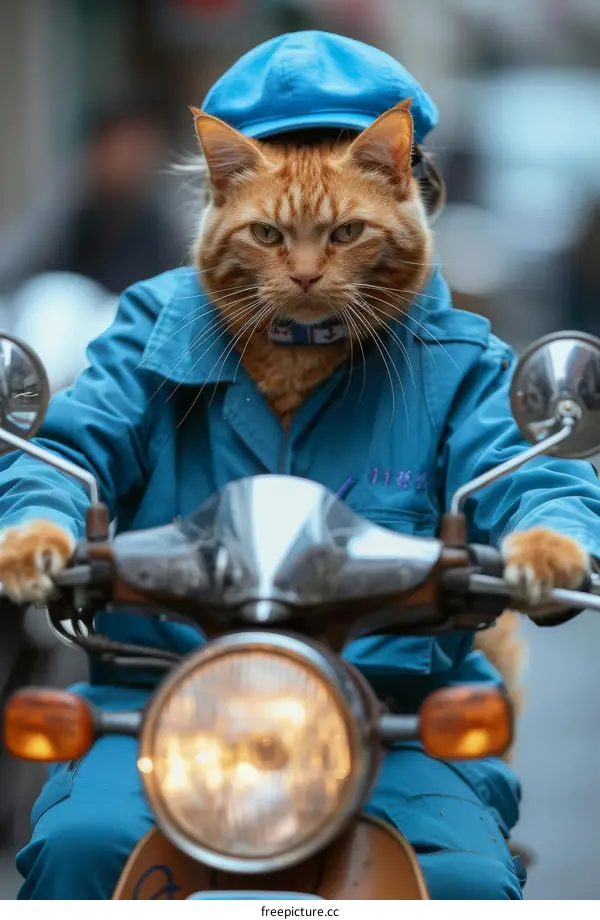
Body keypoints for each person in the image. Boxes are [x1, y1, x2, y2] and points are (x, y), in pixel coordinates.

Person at [1, 31, 600, 901]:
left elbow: (525, 469)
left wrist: (553, 534)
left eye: (347, 233)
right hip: (166, 705)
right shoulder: (155, 328)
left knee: (465, 884)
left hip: (390, 723)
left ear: (404, 187)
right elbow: (68, 446)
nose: (311, 271)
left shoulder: (453, 355)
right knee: (81, 851)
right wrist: (37, 519)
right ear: (219, 195)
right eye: (271, 237)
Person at [0, 102, 186, 297]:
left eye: (142, 150)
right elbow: (13, 259)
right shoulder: (67, 207)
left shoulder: (168, 219)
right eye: (121, 148)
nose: (130, 161)